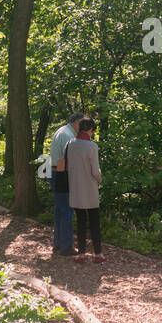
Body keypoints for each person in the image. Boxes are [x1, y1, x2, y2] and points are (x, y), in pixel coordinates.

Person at [64, 117, 103, 263]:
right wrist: (100, 180)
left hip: (76, 188)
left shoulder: (70, 144)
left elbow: (68, 166)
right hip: (90, 188)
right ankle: (98, 254)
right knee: (94, 222)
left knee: (80, 222)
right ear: (90, 130)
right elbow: (95, 171)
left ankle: (81, 254)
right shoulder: (91, 146)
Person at [48, 112, 84, 256]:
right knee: (66, 210)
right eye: (82, 124)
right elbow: (71, 161)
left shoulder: (63, 131)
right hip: (62, 174)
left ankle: (58, 243)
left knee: (60, 210)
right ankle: (66, 246)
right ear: (75, 122)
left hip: (56, 172)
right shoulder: (68, 136)